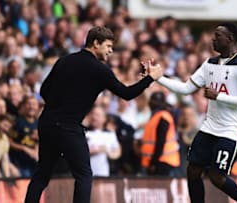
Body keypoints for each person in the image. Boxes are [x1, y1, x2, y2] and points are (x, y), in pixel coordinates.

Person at [25, 26, 162, 203]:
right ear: (95, 43)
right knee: (83, 175)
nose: (111, 51)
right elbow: (126, 94)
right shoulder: (100, 70)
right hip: (69, 127)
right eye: (108, 46)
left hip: (47, 123)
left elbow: (44, 91)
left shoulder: (64, 60)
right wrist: (150, 78)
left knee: (42, 174)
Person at [152, 22, 237, 203]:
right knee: (193, 170)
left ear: (230, 38)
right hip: (209, 127)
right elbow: (186, 89)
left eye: (218, 36)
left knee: (216, 176)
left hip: (230, 131)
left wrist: (219, 97)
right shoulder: (209, 64)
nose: (212, 39)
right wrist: (159, 78)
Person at [140, 91, 180, 176]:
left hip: (163, 161)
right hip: (158, 160)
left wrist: (154, 163)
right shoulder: (156, 116)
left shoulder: (163, 117)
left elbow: (160, 142)